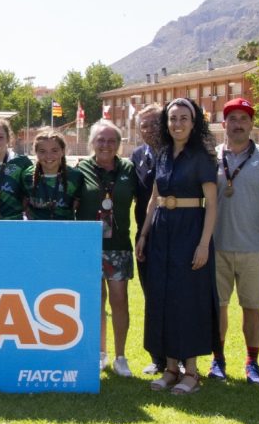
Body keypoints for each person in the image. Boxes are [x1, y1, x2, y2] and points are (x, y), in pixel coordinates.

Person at [135, 98, 219, 395]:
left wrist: (204, 244)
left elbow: (212, 204)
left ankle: (192, 372)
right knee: (163, 297)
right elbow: (153, 199)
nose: (178, 124)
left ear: (194, 123)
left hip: (191, 231)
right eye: (172, 119)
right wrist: (144, 235)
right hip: (162, 232)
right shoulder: (162, 154)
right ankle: (171, 368)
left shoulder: (202, 157)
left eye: (184, 118)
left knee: (188, 299)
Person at [209, 98, 259, 386]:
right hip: (216, 245)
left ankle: (252, 362)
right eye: (232, 118)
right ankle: (218, 359)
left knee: (252, 307)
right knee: (218, 306)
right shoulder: (210, 156)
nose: (238, 124)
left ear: (252, 123)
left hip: (254, 247)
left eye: (244, 118)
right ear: (224, 124)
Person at [77, 120, 137, 376]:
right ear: (92, 142)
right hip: (88, 247)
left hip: (119, 246)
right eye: (101, 140)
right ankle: (100, 353)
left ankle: (121, 356)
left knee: (119, 300)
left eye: (111, 140)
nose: (106, 145)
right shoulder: (81, 169)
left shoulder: (128, 169)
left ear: (119, 144)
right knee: (95, 301)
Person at [131, 104, 166, 375]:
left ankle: (179, 355)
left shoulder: (180, 153)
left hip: (176, 235)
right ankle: (157, 357)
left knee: (176, 297)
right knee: (152, 298)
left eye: (155, 123)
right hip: (145, 238)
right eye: (144, 125)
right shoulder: (137, 156)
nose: (150, 129)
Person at [21, 130, 81, 220]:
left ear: (63, 151)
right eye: (42, 151)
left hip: (65, 231)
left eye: (54, 151)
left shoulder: (75, 176)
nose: (48, 156)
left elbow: (79, 208)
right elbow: (23, 206)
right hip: (35, 231)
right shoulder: (27, 175)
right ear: (35, 152)